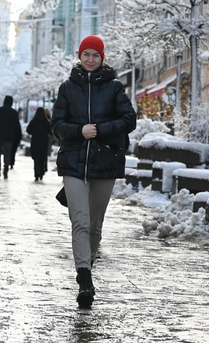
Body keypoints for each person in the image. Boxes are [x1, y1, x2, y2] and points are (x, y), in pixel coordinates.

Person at [51, 35, 136, 308]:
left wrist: (98, 130)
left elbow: (129, 119)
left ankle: (88, 262)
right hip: (73, 164)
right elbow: (57, 125)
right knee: (80, 221)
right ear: (79, 56)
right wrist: (79, 131)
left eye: (95, 55)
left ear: (102, 58)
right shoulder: (67, 87)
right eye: (86, 54)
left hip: (105, 164)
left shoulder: (114, 88)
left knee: (95, 226)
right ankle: (84, 279)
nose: (90, 59)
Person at [0, 95, 22, 179]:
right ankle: (5, 170)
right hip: (9, 137)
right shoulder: (14, 113)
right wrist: (18, 136)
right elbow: (17, 126)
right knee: (7, 154)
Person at [26, 107, 52, 181]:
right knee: (42, 157)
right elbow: (50, 131)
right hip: (44, 142)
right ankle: (41, 172)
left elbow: (28, 130)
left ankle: (36, 174)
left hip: (35, 141)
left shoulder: (33, 122)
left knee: (36, 158)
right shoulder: (46, 122)